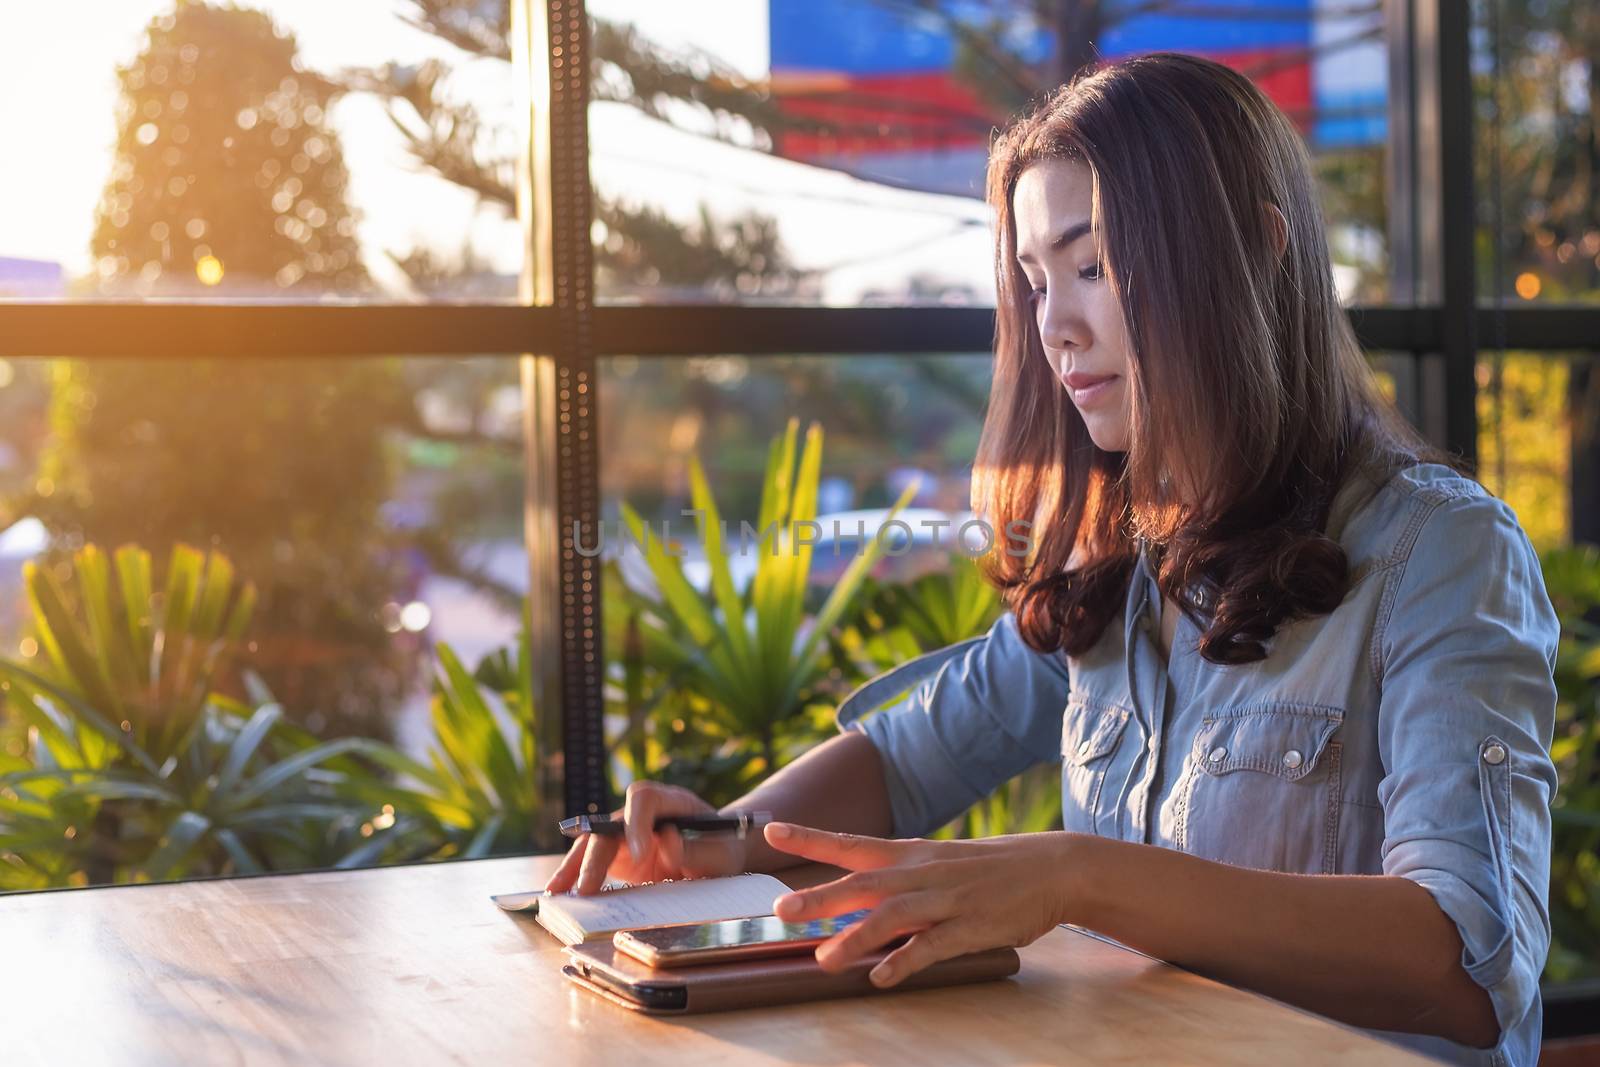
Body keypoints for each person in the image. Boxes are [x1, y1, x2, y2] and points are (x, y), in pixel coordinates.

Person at [545, 52, 1558, 1067]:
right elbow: (906, 759)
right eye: (1035, 280)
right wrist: (715, 839)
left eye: (1095, 266)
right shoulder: (1114, 569)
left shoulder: (1442, 551)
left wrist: (1077, 874)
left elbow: (1464, 964)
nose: (1056, 327)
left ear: (1255, 249)